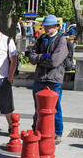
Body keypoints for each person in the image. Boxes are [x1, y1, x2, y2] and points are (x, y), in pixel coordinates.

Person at [28, 14, 68, 145]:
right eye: (44, 26)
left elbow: (55, 61)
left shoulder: (61, 40)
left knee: (55, 107)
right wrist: (44, 57)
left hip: (53, 79)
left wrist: (41, 59)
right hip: (40, 78)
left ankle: (57, 132)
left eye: (47, 26)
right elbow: (32, 57)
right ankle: (37, 129)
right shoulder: (40, 39)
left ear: (54, 26)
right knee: (38, 107)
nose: (44, 28)